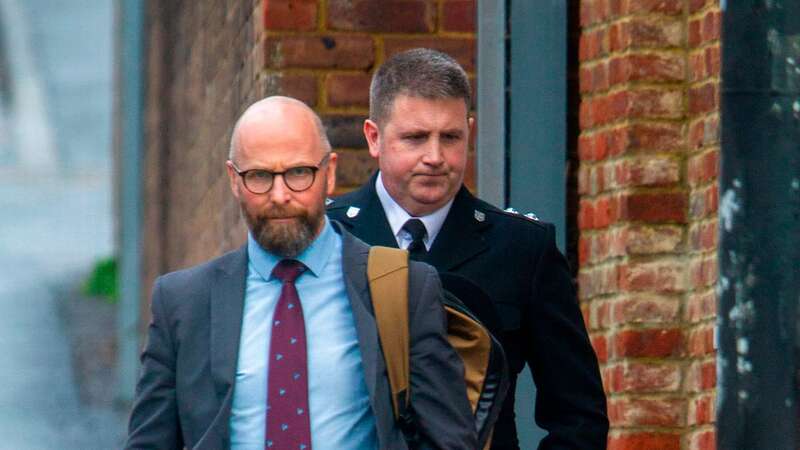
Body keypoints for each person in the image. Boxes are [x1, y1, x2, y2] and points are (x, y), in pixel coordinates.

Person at [125, 96, 477, 450]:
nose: (280, 196)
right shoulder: (182, 303)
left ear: (330, 173)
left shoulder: (404, 289)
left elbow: (449, 442)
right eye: (260, 176)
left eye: (298, 173)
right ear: (234, 179)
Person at [327, 48, 609, 449]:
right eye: (415, 138)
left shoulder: (522, 248)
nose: (435, 157)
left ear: (470, 132)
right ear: (374, 138)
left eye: (451, 137)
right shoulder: (329, 237)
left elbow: (579, 416)